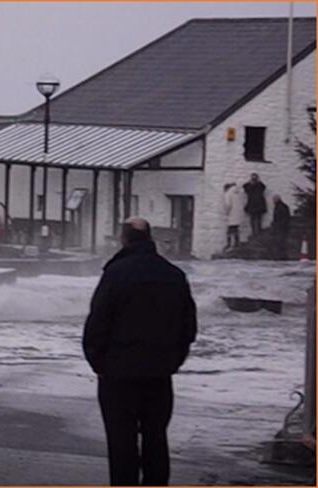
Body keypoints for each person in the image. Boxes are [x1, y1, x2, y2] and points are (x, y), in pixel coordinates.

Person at [83, 217, 198, 486]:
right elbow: (188, 327)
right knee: (156, 438)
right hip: (159, 374)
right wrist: (173, 361)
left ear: (124, 239)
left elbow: (97, 323)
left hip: (118, 374)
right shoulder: (173, 275)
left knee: (121, 442)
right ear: (150, 239)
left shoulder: (116, 273)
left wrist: (99, 363)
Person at [223, 183, 245, 249]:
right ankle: (237, 243)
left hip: (231, 215)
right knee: (236, 229)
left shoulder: (228, 194)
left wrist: (226, 213)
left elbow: (228, 205)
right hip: (238, 215)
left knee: (229, 231)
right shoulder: (239, 193)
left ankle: (229, 244)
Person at [271, 194, 291, 260]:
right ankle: (280, 256)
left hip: (281, 228)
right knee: (279, 242)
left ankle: (281, 256)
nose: (273, 201)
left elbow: (284, 218)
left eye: (274, 199)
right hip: (279, 227)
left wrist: (279, 225)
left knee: (280, 242)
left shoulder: (281, 207)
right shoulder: (279, 206)